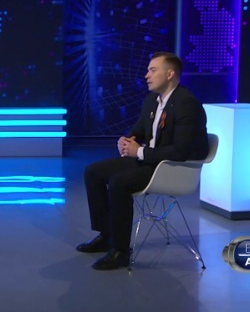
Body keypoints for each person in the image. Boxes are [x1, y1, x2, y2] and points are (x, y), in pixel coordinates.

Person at [76, 52, 209, 270]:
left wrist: (139, 152)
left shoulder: (187, 104)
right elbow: (138, 131)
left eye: (152, 70)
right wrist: (127, 141)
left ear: (170, 74)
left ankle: (120, 251)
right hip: (150, 160)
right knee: (93, 172)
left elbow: (180, 151)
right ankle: (107, 236)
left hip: (171, 168)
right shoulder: (151, 101)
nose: (147, 75)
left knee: (119, 183)